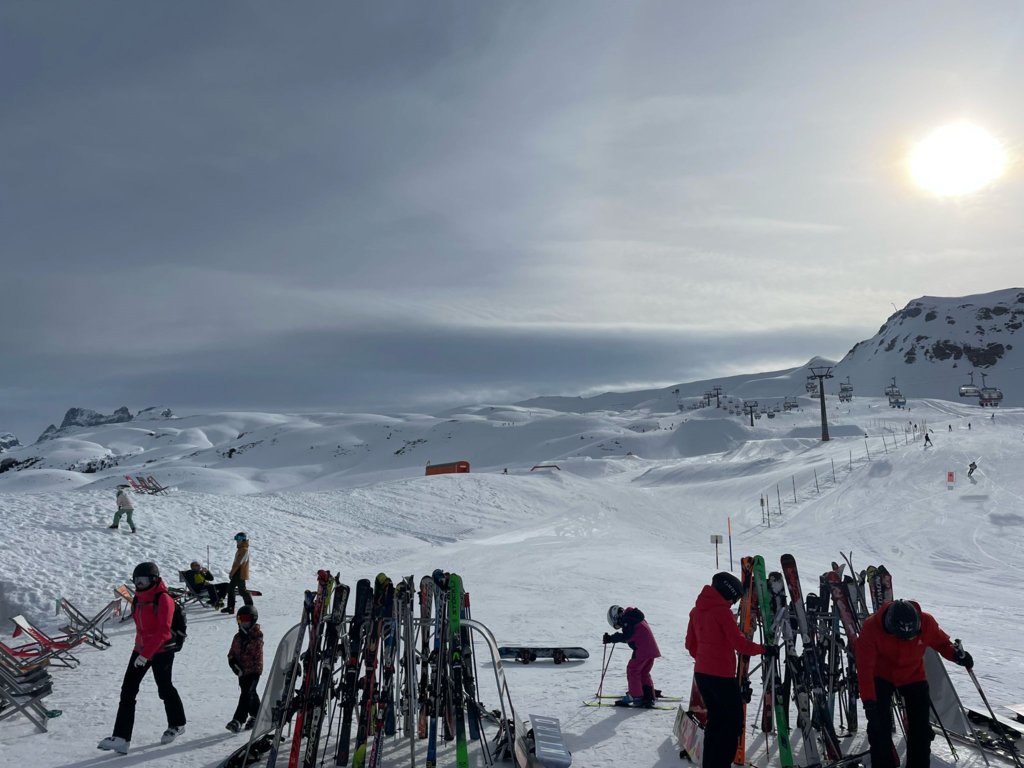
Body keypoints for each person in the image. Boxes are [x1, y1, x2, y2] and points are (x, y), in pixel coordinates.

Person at [857, 599, 973, 768]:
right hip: (881, 675)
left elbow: (942, 643)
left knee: (921, 729)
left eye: (910, 637)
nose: (906, 640)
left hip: (913, 675)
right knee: (878, 727)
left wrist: (956, 655)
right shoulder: (871, 628)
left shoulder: (927, 623)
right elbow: (864, 669)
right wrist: (869, 702)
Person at [97, 562, 186, 754]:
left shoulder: (164, 599)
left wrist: (146, 655)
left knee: (164, 688)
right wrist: (140, 649)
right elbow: (141, 628)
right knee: (128, 690)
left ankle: (177, 724)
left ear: (153, 580)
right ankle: (121, 738)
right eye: (136, 580)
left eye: (143, 580)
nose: (139, 584)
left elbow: (164, 631)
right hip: (141, 649)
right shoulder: (138, 598)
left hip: (162, 650)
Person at [685, 572, 766, 768]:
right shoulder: (722, 613)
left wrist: (705, 659)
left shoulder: (696, 611)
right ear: (727, 592)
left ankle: (710, 764)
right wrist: (764, 649)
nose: (733, 602)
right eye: (734, 598)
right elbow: (740, 644)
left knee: (715, 721)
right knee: (732, 723)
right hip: (721, 676)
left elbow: (690, 644)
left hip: (702, 675)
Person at [602, 604, 661, 707]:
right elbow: (632, 636)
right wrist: (613, 638)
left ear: (616, 617)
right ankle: (648, 696)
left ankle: (636, 696)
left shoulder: (627, 619)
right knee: (643, 672)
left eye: (617, 624)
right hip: (651, 649)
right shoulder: (633, 617)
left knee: (632, 670)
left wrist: (611, 638)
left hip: (642, 650)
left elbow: (627, 636)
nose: (619, 626)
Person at [226, 605, 264, 732]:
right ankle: (257, 715)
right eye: (241, 619)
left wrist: (247, 636)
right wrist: (233, 664)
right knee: (250, 693)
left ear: (253, 619)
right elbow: (231, 653)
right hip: (241, 672)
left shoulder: (257, 637)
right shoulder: (237, 637)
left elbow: (254, 654)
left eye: (246, 619)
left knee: (246, 693)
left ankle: (238, 720)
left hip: (254, 671)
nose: (244, 622)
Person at [221, 532, 253, 615]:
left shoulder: (244, 550)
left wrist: (232, 573)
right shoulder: (240, 549)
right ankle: (230, 608)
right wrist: (232, 572)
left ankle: (250, 607)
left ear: (242, 540)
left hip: (240, 572)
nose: (237, 541)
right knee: (230, 589)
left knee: (242, 591)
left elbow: (238, 563)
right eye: (236, 540)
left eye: (238, 540)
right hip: (237, 572)